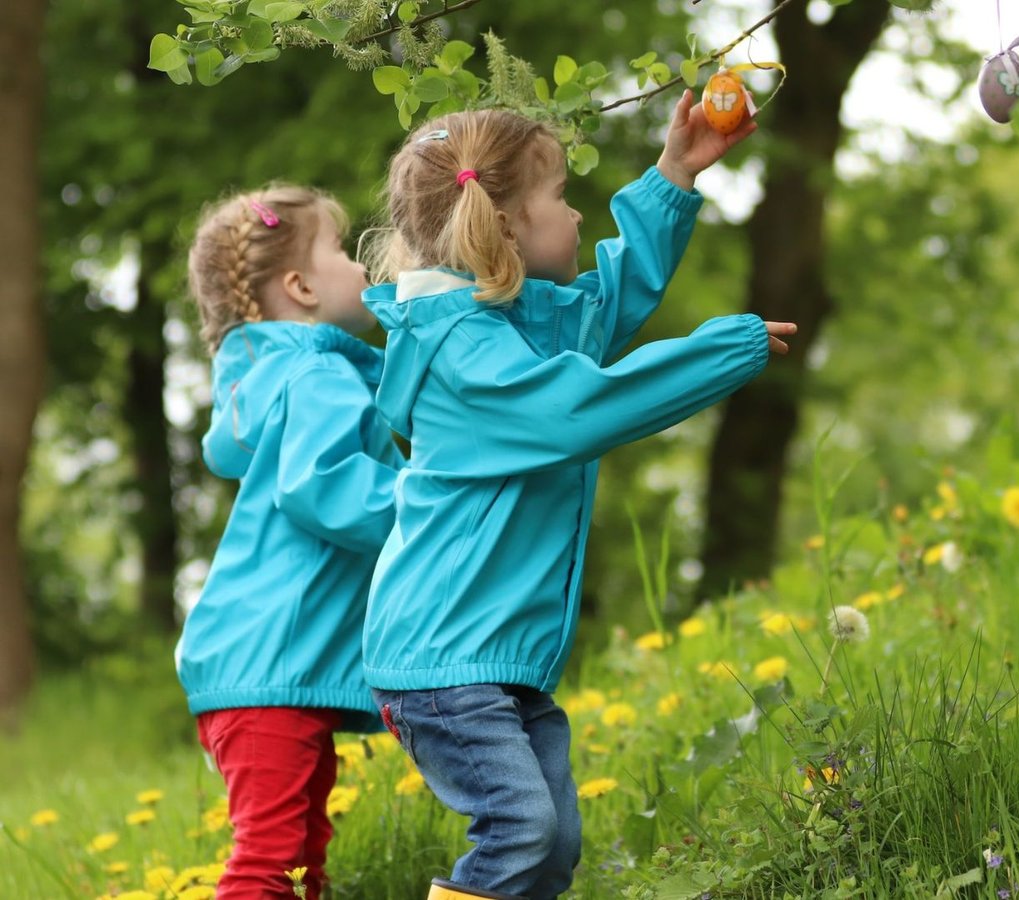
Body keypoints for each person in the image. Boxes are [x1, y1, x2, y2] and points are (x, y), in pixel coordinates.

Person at [360, 93, 794, 900]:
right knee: (522, 830)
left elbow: (599, 311)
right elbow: (575, 409)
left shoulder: (506, 328)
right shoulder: (466, 354)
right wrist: (721, 350)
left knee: (551, 848)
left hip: (492, 657)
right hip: (441, 662)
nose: (575, 211)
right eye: (559, 197)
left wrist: (673, 178)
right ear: (505, 228)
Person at [177, 184, 404, 899]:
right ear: (300, 286)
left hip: (260, 668)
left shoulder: (278, 380)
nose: (362, 266)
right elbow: (322, 486)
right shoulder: (316, 373)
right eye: (341, 250)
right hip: (269, 666)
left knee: (301, 851)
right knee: (270, 858)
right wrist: (427, 501)